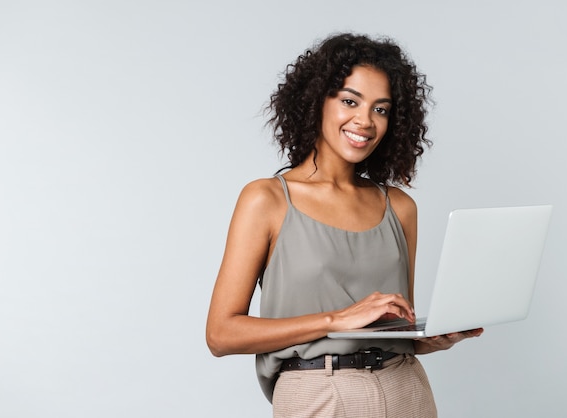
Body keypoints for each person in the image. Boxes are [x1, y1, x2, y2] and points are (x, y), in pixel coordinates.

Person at [206, 33, 483, 418]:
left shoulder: (399, 207)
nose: (365, 121)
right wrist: (336, 320)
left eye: (381, 109)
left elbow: (394, 326)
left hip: (407, 389)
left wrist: (431, 339)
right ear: (316, 100)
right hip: (317, 392)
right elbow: (221, 334)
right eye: (350, 101)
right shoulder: (267, 199)